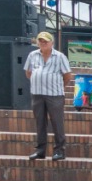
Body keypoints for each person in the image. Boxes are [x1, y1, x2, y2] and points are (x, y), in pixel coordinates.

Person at [24, 31, 72, 162]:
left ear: (52, 43)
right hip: (37, 94)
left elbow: (67, 76)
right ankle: (40, 150)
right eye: (40, 41)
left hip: (55, 94)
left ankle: (59, 151)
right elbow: (28, 72)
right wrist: (38, 80)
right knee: (40, 123)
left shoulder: (60, 56)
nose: (43, 43)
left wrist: (58, 86)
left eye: (46, 41)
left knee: (57, 123)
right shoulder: (32, 55)